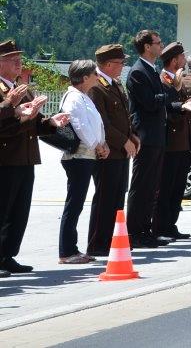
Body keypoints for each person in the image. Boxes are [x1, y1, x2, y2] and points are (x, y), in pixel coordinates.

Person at [0, 39, 71, 274]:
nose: (19, 63)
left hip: (25, 157)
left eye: (19, 58)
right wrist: (17, 111)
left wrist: (51, 122)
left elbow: (35, 123)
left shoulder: (23, 88)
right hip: (6, 159)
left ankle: (7, 255)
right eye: (12, 59)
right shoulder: (5, 92)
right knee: (3, 209)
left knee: (19, 211)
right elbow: (5, 126)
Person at [87, 44, 140, 258]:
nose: (122, 66)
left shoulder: (114, 84)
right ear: (108, 64)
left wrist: (132, 135)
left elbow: (124, 116)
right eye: (120, 62)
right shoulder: (96, 87)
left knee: (118, 197)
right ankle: (98, 242)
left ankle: (113, 238)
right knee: (105, 198)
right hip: (108, 152)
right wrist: (124, 141)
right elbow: (102, 123)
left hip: (120, 152)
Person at [154, 42, 191, 239]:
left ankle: (170, 224)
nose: (185, 61)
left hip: (182, 140)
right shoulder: (163, 81)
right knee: (166, 186)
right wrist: (189, 104)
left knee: (177, 187)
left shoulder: (176, 80)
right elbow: (169, 110)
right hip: (170, 141)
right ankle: (160, 226)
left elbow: (184, 107)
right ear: (174, 60)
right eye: (182, 57)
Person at [58, 60, 109, 264]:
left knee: (77, 203)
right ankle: (66, 251)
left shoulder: (83, 96)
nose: (98, 77)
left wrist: (102, 143)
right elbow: (80, 126)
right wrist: (97, 144)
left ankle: (72, 249)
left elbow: (96, 124)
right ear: (85, 77)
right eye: (94, 74)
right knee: (74, 203)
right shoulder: (73, 97)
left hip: (87, 155)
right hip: (78, 156)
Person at [125, 29, 172, 247]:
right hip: (146, 135)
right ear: (146, 46)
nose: (161, 46)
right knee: (141, 185)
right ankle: (135, 232)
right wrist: (169, 92)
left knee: (152, 186)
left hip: (157, 135)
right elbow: (149, 102)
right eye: (158, 42)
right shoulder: (138, 72)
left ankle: (146, 229)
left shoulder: (152, 69)